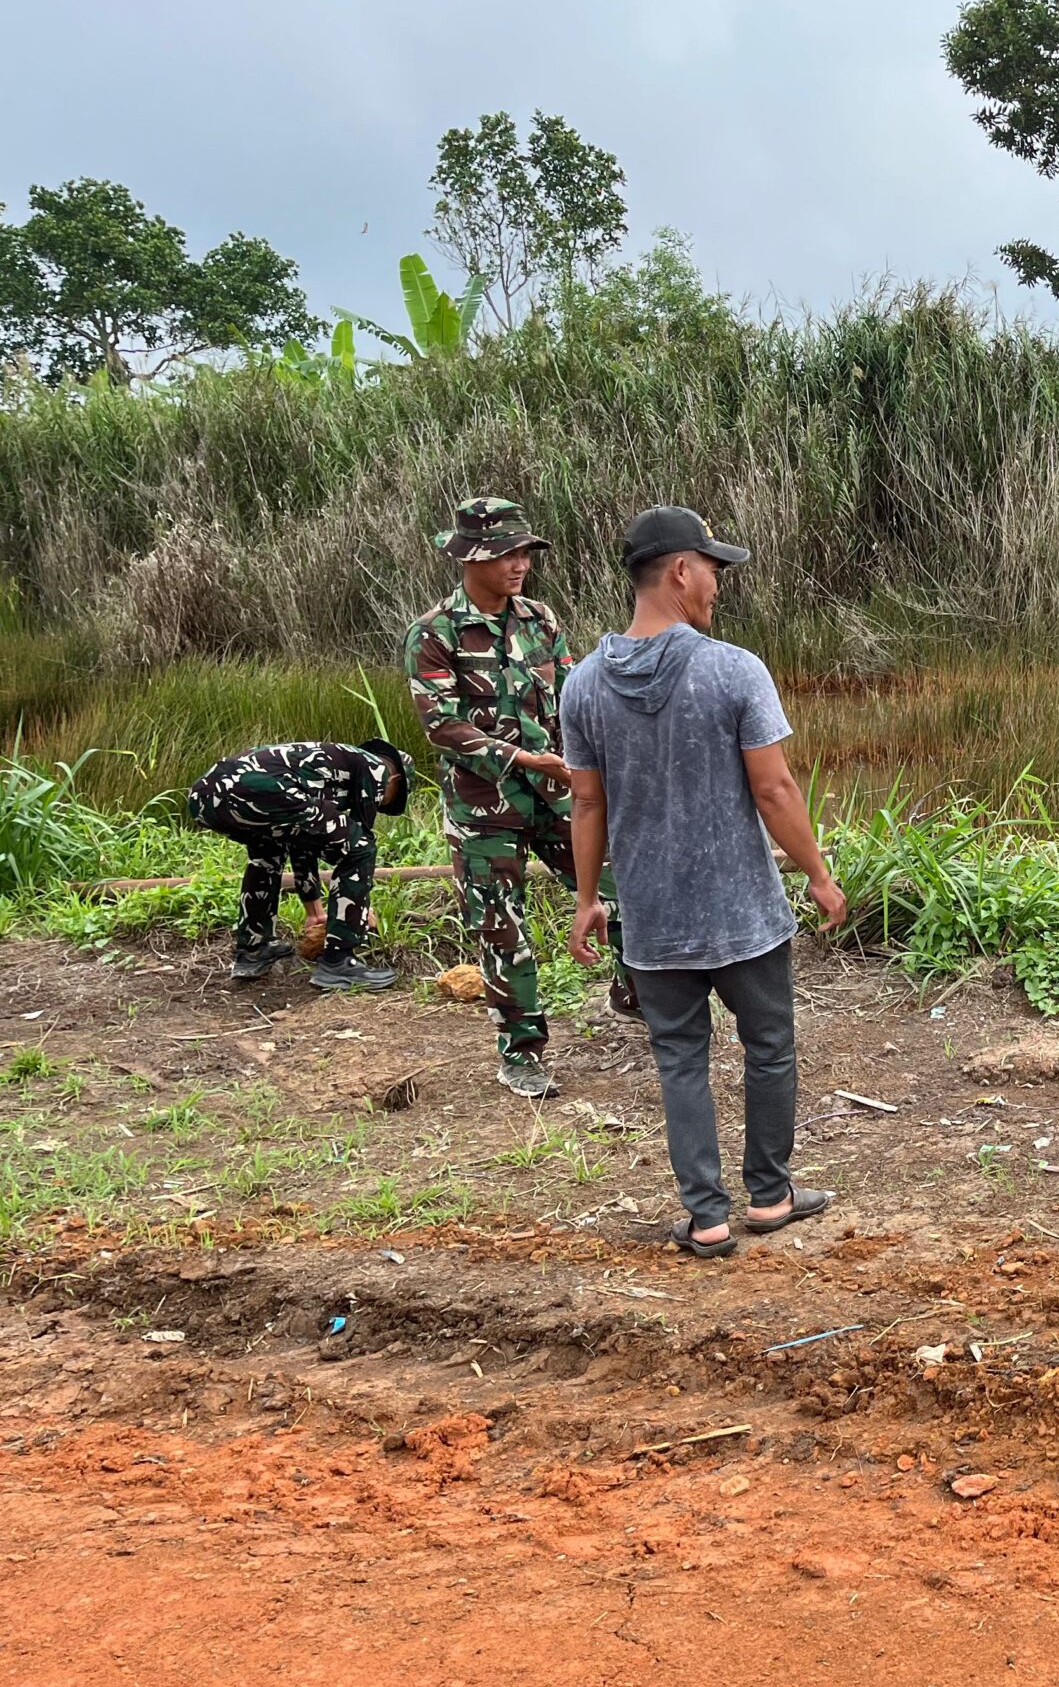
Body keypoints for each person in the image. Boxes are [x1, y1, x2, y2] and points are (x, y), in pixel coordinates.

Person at [561, 505, 849, 1260]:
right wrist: (818, 874)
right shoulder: (733, 669)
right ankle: (770, 1195)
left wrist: (589, 899)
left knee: (680, 1058)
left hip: (653, 917)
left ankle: (707, 1217)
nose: (718, 587)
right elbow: (774, 789)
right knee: (769, 1045)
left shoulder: (583, 685)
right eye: (714, 572)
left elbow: (587, 803)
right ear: (681, 571)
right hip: (741, 911)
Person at [402, 495, 629, 1100]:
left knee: (624, 888)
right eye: (505, 554)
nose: (519, 564)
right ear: (470, 559)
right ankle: (522, 1054)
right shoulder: (434, 633)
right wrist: (524, 759)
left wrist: (589, 764)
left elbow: (575, 697)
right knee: (502, 930)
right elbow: (441, 725)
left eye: (524, 552)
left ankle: (636, 995)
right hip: (484, 806)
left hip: (559, 797)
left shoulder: (540, 620)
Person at [186, 739, 411, 990]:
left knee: (268, 853)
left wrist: (314, 912)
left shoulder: (330, 769)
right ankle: (339, 962)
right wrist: (358, 911)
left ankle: (253, 949)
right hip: (261, 789)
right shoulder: (376, 768)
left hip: (205, 797)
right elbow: (357, 843)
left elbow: (303, 842)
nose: (383, 804)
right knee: (361, 848)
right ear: (395, 780)